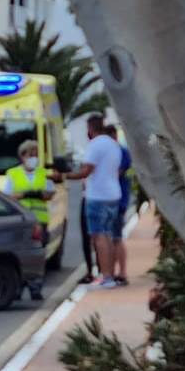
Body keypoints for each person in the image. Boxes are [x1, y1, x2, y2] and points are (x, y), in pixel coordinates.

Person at [60, 115, 123, 289]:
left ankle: (106, 277)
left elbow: (85, 172)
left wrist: (63, 176)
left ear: (90, 128)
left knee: (99, 236)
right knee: (108, 235)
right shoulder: (113, 145)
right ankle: (109, 274)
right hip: (113, 194)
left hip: (97, 197)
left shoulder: (94, 146)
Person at [2, 139, 54, 301]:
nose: (34, 158)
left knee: (37, 255)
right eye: (31, 155)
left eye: (36, 155)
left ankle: (35, 288)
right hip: (21, 221)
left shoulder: (43, 173)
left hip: (40, 221)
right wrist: (28, 194)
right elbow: (9, 195)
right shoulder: (13, 173)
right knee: (18, 255)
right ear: (22, 156)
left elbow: (49, 193)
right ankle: (17, 288)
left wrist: (34, 194)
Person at [106, 125, 133, 286]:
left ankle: (121, 272)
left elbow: (117, 174)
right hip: (113, 199)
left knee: (116, 238)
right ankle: (112, 271)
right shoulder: (116, 152)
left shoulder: (121, 152)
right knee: (111, 238)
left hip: (118, 200)